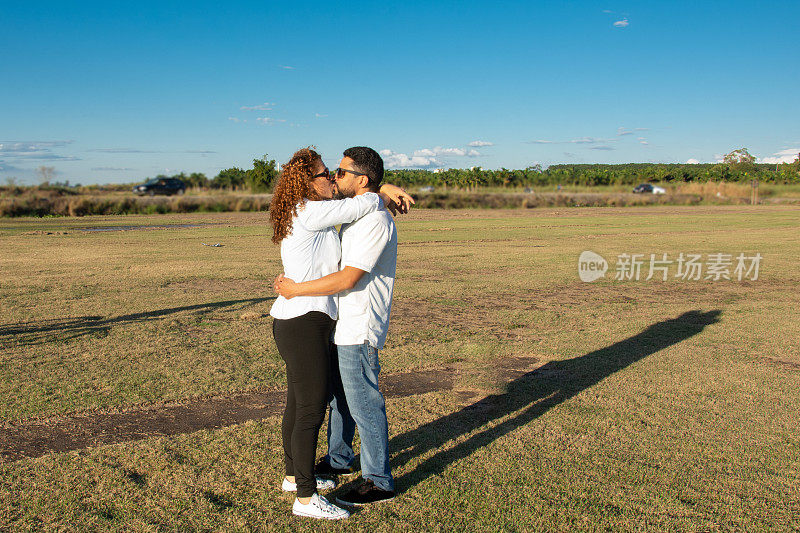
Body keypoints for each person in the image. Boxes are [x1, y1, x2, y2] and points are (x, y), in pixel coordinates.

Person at [268, 147, 411, 520]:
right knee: (313, 406)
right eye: (328, 173)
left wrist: (379, 190)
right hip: (309, 319)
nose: (333, 177)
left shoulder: (339, 213)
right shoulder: (316, 211)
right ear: (308, 183)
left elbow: (350, 271)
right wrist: (379, 190)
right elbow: (359, 203)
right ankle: (307, 490)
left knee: (326, 402)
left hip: (334, 319)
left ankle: (358, 476)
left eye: (340, 172)